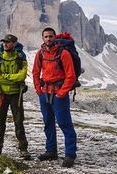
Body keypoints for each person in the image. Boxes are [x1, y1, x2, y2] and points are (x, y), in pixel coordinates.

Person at [32, 27, 77, 168]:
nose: (48, 39)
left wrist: (62, 93)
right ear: (42, 38)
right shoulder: (40, 54)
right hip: (45, 93)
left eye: (51, 36)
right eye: (46, 36)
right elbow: (35, 72)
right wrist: (39, 91)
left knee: (65, 124)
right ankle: (51, 150)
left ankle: (70, 154)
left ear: (55, 37)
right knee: (48, 123)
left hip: (59, 94)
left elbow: (71, 76)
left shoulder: (63, 54)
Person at [0, 34, 30, 160]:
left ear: (14, 43)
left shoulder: (21, 59)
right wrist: (13, 78)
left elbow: (22, 77)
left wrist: (5, 77)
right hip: (2, 94)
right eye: (4, 42)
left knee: (19, 122)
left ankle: (23, 149)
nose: (5, 44)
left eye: (8, 42)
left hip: (16, 95)